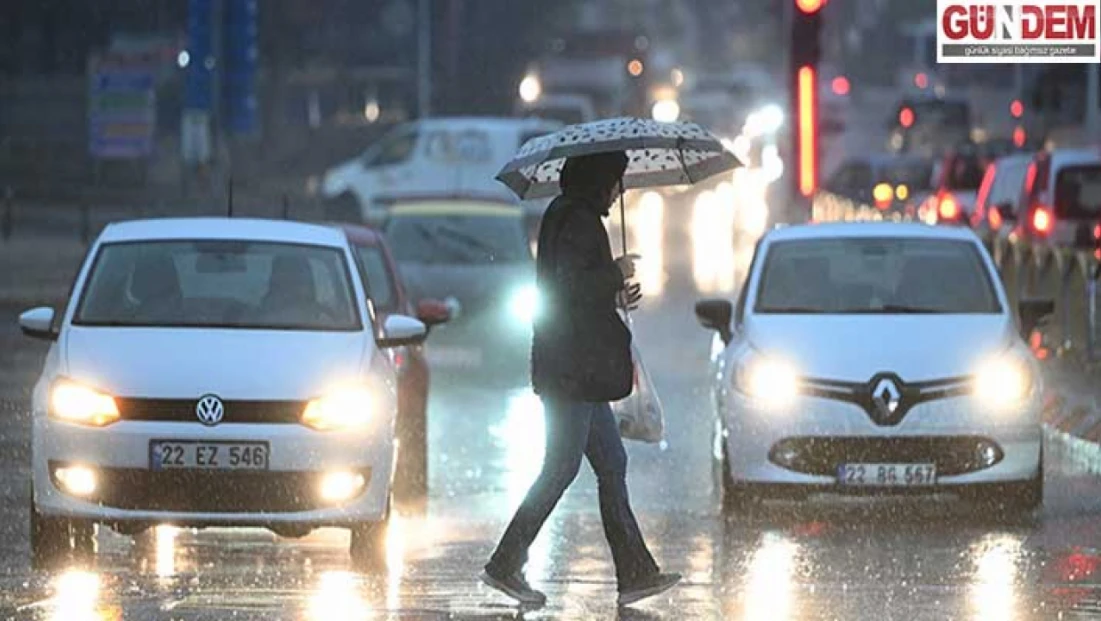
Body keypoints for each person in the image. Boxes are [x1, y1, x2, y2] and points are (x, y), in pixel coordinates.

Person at [480, 151, 680, 608]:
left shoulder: (575, 215)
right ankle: (506, 563)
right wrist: (615, 272)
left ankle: (635, 572)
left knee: (612, 465)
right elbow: (569, 287)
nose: (619, 191)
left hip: (580, 369)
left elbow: (580, 292)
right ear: (598, 179)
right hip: (570, 370)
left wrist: (615, 292)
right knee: (561, 468)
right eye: (616, 181)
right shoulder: (575, 218)